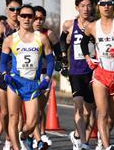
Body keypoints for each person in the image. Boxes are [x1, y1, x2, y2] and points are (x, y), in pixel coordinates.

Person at [0, 4, 54, 150]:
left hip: (33, 84)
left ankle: (23, 136)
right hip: (15, 82)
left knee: (32, 121)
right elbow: (3, 63)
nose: (26, 18)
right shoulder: (10, 39)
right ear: (18, 17)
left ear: (33, 18)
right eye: (23, 15)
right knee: (13, 117)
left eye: (30, 16)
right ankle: (16, 147)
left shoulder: (42, 38)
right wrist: (5, 74)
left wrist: (47, 78)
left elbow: (50, 61)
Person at [60, 0, 96, 149]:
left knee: (89, 112)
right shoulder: (69, 24)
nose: (86, 9)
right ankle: (83, 142)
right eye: (82, 6)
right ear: (77, 7)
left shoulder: (96, 25)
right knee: (79, 107)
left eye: (88, 5)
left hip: (92, 72)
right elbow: (63, 40)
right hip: (76, 71)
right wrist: (62, 59)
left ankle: (76, 135)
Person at [80, 0, 114, 149]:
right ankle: (107, 147)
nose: (106, 6)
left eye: (110, 2)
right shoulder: (93, 26)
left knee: (112, 118)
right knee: (102, 112)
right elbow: (83, 42)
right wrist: (88, 57)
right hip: (101, 74)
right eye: (103, 3)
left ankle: (102, 137)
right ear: (98, 6)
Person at [0, 0, 22, 149]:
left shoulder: (24, 26)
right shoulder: (1, 26)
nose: (15, 12)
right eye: (12, 9)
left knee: (17, 112)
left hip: (21, 74)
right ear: (6, 9)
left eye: (18, 9)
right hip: (4, 73)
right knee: (4, 112)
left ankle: (12, 140)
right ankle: (6, 135)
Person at [32, 5, 61, 149]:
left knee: (40, 108)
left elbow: (59, 52)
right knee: (34, 108)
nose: (38, 21)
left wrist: (61, 62)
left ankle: (40, 133)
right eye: (35, 18)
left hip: (44, 74)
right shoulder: (25, 34)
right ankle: (35, 136)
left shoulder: (48, 34)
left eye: (41, 19)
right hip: (29, 75)